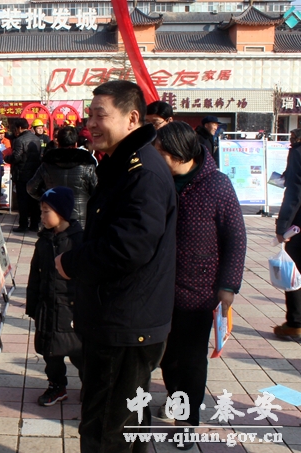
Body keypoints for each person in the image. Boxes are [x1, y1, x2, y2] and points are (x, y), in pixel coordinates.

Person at [54, 80, 177, 452]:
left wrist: (71, 263)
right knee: (128, 424)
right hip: (122, 316)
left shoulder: (142, 171)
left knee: (106, 429)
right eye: (89, 115)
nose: (90, 124)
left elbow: (128, 246)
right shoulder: (123, 163)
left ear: (132, 118)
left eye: (100, 115)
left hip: (125, 322)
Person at [154, 121, 246, 449]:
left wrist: (228, 286)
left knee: (190, 360)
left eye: (161, 153)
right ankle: (175, 398)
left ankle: (187, 422)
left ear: (180, 155)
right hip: (159, 288)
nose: (156, 157)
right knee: (166, 356)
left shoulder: (217, 185)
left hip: (198, 292)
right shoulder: (159, 182)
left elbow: (236, 238)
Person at [26, 187, 84, 406]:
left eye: (46, 211)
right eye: (41, 211)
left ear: (61, 212)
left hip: (71, 309)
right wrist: (33, 306)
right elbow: (35, 275)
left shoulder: (79, 241)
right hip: (47, 307)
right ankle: (56, 386)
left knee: (80, 353)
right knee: (50, 352)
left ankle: (91, 386)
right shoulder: (44, 240)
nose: (41, 216)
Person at [27, 126, 97, 229]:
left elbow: (31, 188)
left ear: (58, 143)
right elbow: (98, 191)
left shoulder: (47, 164)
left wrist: (48, 197)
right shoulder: (87, 165)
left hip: (54, 217)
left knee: (55, 239)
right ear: (76, 144)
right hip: (80, 220)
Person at [273, 128, 301, 338]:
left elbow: (295, 192)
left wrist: (282, 226)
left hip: (299, 225)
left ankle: (295, 323)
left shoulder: (298, 152)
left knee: (294, 271)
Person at [5, 118, 42, 232]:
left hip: (22, 174)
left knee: (23, 201)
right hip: (34, 174)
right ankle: (34, 225)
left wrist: (7, 158)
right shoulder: (36, 139)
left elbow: (16, 157)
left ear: (19, 128)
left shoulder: (19, 140)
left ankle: (23, 225)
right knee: (34, 200)